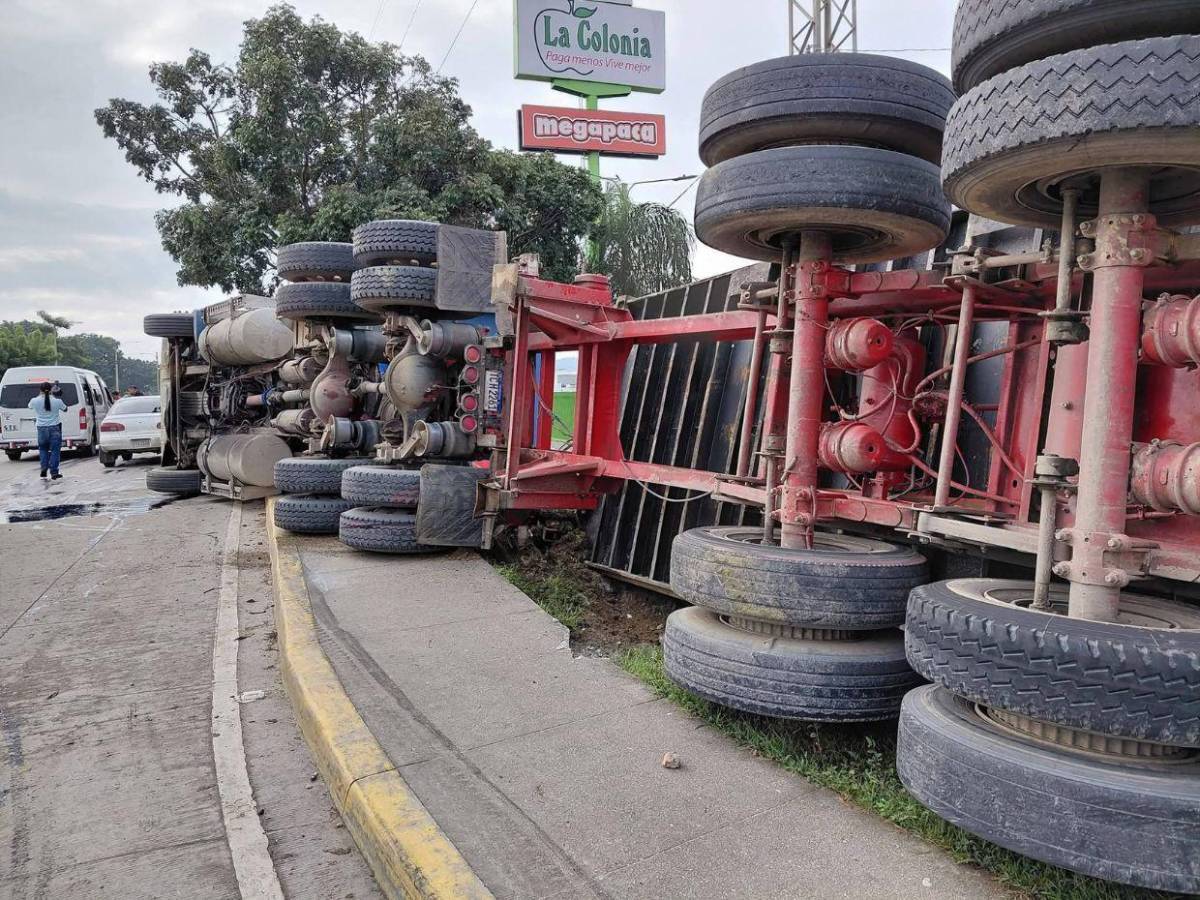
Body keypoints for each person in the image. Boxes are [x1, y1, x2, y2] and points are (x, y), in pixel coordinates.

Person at [28, 381, 66, 479]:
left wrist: (40, 395)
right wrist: (54, 395)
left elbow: (29, 406)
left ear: (40, 390)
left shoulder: (34, 400)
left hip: (41, 429)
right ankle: (54, 472)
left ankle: (44, 468)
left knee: (43, 449)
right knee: (55, 451)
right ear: (51, 390)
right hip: (55, 429)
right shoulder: (57, 401)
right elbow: (65, 409)